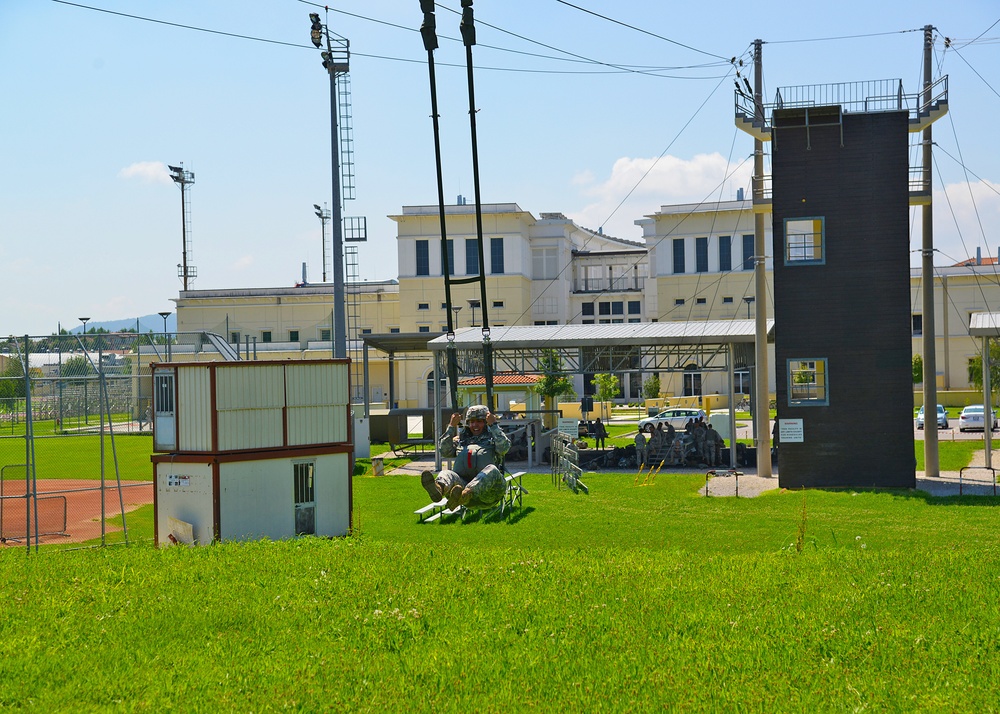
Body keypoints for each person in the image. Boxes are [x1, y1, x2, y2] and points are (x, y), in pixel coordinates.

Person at [420, 404, 511, 510]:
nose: (475, 425)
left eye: (479, 421)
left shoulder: (494, 438)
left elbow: (504, 448)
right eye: (472, 422)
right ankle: (439, 488)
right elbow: (444, 451)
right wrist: (451, 426)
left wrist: (494, 425)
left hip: (490, 492)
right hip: (464, 491)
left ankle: (466, 494)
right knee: (446, 473)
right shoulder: (461, 440)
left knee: (492, 469)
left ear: (486, 423)